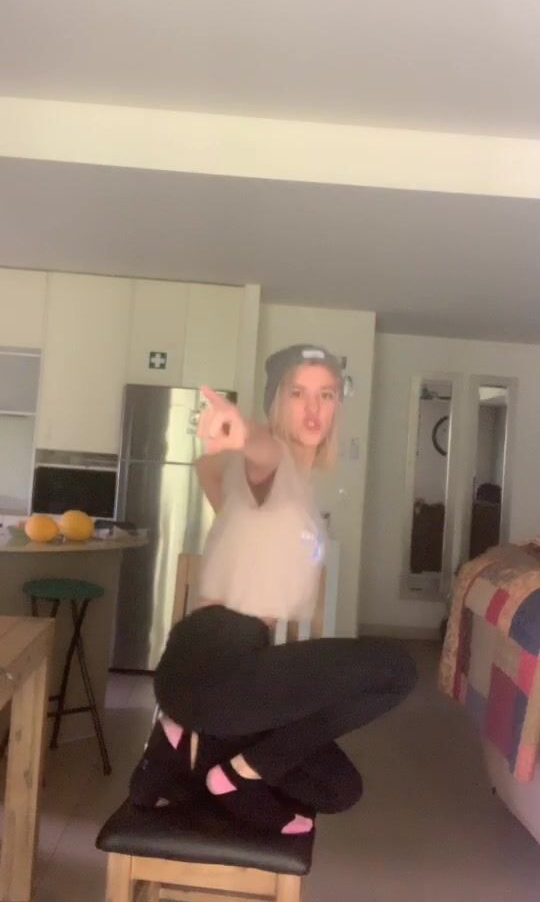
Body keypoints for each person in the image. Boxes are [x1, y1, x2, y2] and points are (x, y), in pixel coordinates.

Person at [129, 344, 416, 835]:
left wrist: (229, 480)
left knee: (339, 790)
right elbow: (263, 455)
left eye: (326, 394)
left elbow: (209, 472)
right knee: (396, 670)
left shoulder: (293, 485)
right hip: (217, 666)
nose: (313, 408)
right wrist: (246, 435)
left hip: (215, 677)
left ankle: (181, 749)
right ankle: (238, 775)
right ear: (275, 402)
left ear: (337, 406)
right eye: (297, 393)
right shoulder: (272, 464)